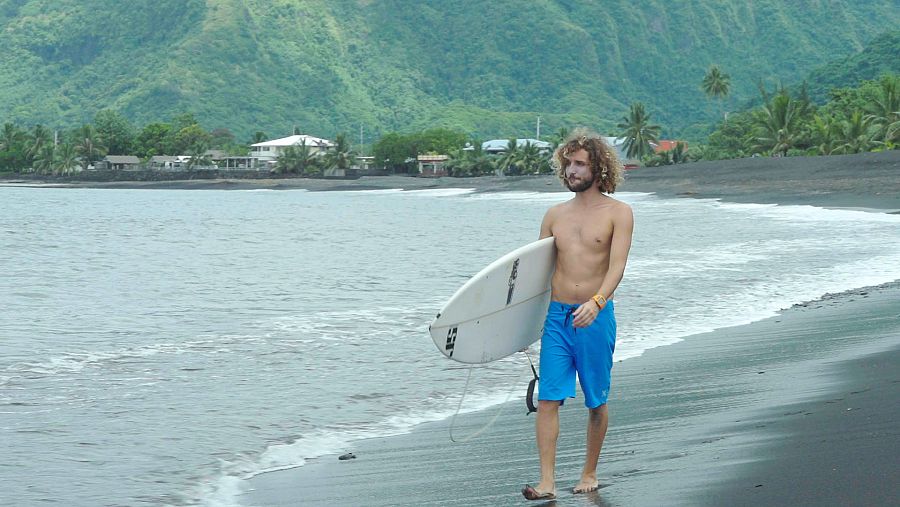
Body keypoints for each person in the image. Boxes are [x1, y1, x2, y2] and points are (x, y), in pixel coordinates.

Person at [522, 129, 633, 501]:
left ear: (598, 168)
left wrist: (598, 301)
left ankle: (589, 472)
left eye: (580, 164)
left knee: (595, 400)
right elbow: (537, 271)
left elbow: (617, 267)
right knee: (549, 399)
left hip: (595, 316)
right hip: (557, 318)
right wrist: (520, 327)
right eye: (568, 163)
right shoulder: (554, 215)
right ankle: (547, 482)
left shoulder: (619, 213)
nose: (572, 170)